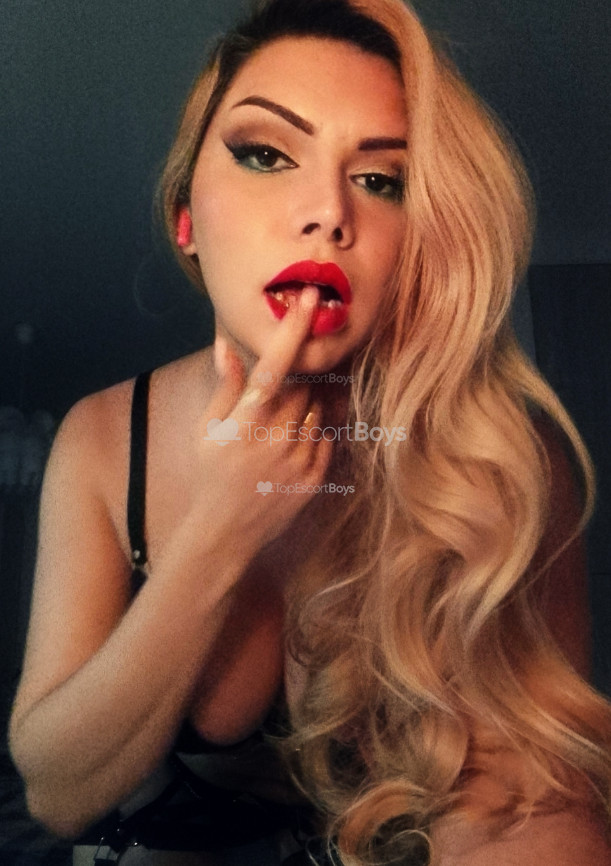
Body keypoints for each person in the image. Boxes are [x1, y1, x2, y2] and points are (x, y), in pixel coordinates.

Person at [8, 0, 611, 863]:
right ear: (186, 217)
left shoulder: (501, 458)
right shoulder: (105, 436)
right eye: (265, 154)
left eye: (380, 180)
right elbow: (58, 796)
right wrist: (222, 526)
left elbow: (525, 803)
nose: (329, 212)